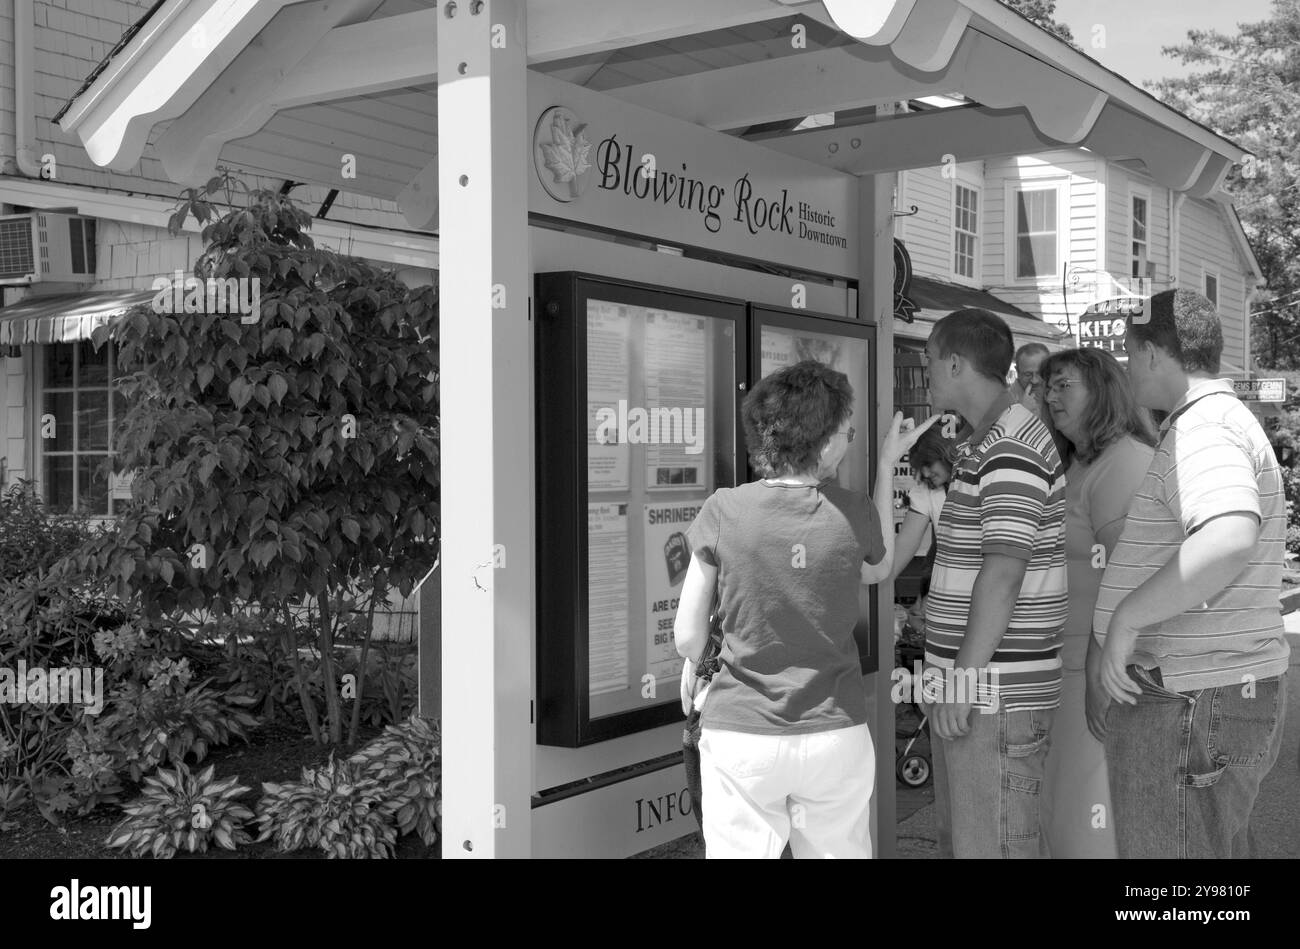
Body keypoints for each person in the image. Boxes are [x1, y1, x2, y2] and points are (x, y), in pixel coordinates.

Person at [673, 359, 936, 858]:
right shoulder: (853, 512)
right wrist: (886, 467)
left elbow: (687, 637)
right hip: (834, 729)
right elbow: (878, 568)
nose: (849, 440)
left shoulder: (723, 510)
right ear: (826, 441)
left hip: (742, 730)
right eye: (847, 431)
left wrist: (701, 659)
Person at [1093, 289, 1291, 859]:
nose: (1128, 369)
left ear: (1155, 354)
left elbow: (1229, 537)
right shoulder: (1218, 420)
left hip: (1187, 699)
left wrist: (1127, 620)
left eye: (1131, 354)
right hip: (1209, 694)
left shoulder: (1204, 426)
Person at [921, 308, 1067, 859]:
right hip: (979, 689)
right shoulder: (992, 440)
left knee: (991, 847)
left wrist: (961, 680)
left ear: (956, 362)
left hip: (991, 693)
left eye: (930, 359)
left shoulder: (1010, 445)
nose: (927, 371)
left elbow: (1004, 573)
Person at [1037, 348, 1156, 859]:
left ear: (1103, 391)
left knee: (1087, 831)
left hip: (1098, 672)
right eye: (1048, 386)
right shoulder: (1085, 465)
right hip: (1073, 670)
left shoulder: (1120, 465)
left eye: (1064, 385)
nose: (1049, 395)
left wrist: (1097, 675)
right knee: (1067, 822)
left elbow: (1126, 579)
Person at [888, 424, 965, 585]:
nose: (925, 473)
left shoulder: (976, 478)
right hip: (949, 591)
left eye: (928, 464)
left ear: (944, 455)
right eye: (920, 467)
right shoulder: (925, 491)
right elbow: (905, 544)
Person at [1011, 342, 1050, 416]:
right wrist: (1022, 414)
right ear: (1017, 371)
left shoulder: (1057, 397)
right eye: (1028, 374)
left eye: (1040, 373)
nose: (1035, 380)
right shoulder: (1006, 402)